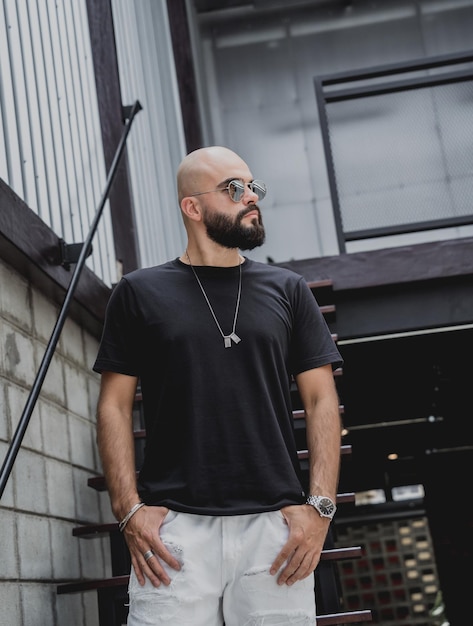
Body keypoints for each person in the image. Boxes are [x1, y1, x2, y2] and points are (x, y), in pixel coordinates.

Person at [93, 145, 343, 625]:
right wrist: (128, 509)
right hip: (173, 532)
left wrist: (320, 508)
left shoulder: (288, 289)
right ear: (193, 207)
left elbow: (320, 400)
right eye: (234, 189)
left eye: (253, 187)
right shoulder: (139, 293)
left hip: (275, 529)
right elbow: (114, 407)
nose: (250, 197)